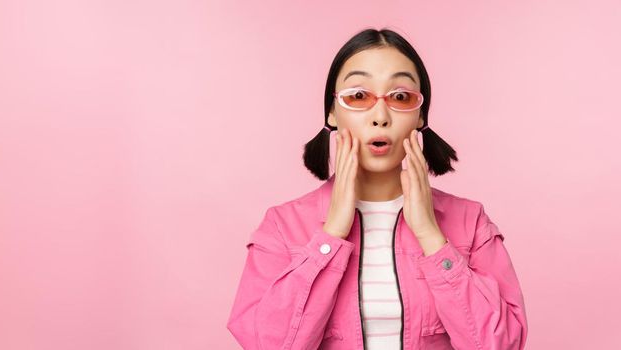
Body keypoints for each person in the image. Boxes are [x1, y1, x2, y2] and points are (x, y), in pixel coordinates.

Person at [226, 28, 528, 350]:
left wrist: (431, 236)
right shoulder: (282, 228)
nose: (380, 116)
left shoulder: (471, 222)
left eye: (400, 97)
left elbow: (501, 344)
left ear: (420, 114)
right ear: (332, 111)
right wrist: (330, 237)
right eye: (358, 96)